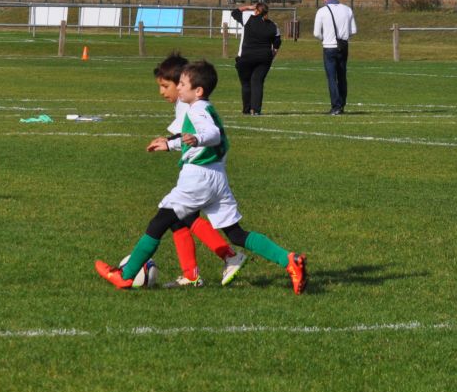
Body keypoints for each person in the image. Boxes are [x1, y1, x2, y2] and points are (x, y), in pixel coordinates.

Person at [96, 60, 307, 294]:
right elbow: (196, 137)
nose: (179, 87)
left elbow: (211, 134)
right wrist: (170, 144)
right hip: (217, 177)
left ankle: (125, 276)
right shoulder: (205, 107)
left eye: (182, 84)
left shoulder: (196, 109)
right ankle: (289, 260)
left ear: (198, 91)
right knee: (236, 233)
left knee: (159, 222)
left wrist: (198, 139)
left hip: (198, 178)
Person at [147, 53, 249, 288]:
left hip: (203, 171)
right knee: (183, 218)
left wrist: (170, 143)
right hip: (204, 170)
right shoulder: (186, 102)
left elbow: (197, 134)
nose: (162, 92)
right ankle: (193, 273)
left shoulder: (188, 105)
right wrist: (169, 142)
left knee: (180, 216)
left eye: (166, 86)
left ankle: (225, 258)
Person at [230, 1, 281, 115]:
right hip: (264, 58)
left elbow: (235, 12)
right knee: (257, 82)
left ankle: (246, 109)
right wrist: (272, 56)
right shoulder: (273, 25)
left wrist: (248, 7)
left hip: (246, 56)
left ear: (256, 11)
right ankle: (256, 110)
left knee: (246, 83)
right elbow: (277, 43)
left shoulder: (248, 18)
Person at [312, 0, 357, 115]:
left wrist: (325, 38)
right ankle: (341, 105)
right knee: (342, 76)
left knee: (332, 77)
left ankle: (335, 105)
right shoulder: (347, 10)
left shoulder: (322, 11)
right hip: (343, 46)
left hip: (329, 46)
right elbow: (353, 30)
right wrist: (343, 37)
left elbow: (316, 33)